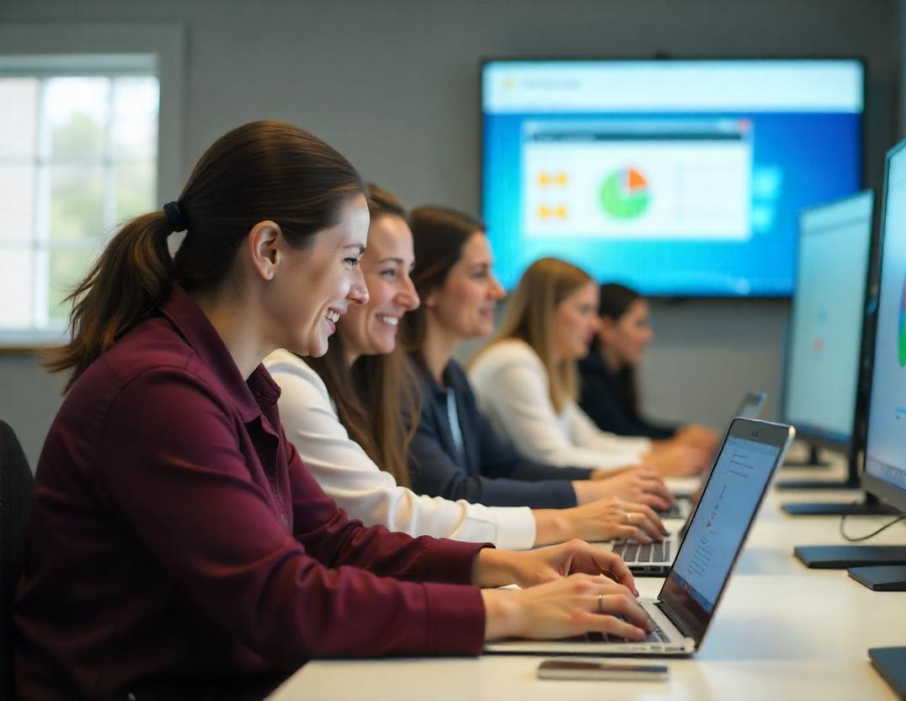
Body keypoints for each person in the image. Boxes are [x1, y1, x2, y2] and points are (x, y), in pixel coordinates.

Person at [14, 122, 651, 700]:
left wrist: (505, 565)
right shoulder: (162, 392)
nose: (361, 290)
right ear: (268, 250)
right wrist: (511, 611)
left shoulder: (237, 380)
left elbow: (332, 538)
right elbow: (281, 601)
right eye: (350, 260)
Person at [267, 186, 669, 550]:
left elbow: (500, 466)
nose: (497, 289)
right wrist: (572, 513)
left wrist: (595, 491)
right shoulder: (299, 383)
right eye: (387, 271)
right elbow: (419, 504)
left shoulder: (439, 377)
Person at [401, 205, 673, 534]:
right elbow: (451, 492)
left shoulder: (453, 377)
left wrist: (598, 477)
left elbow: (505, 466)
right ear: (429, 288)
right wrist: (592, 491)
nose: (498, 290)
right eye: (479, 274)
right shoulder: (406, 382)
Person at [469, 257, 712, 476]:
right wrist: (649, 464)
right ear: (547, 311)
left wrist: (658, 452)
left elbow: (590, 440)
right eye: (584, 310)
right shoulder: (514, 362)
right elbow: (553, 459)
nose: (595, 325)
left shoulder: (543, 366)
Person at [579, 282, 719, 448]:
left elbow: (633, 425)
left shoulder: (615, 374)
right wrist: (678, 438)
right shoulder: (587, 375)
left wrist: (680, 433)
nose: (648, 336)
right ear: (607, 328)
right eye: (639, 324)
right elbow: (620, 433)